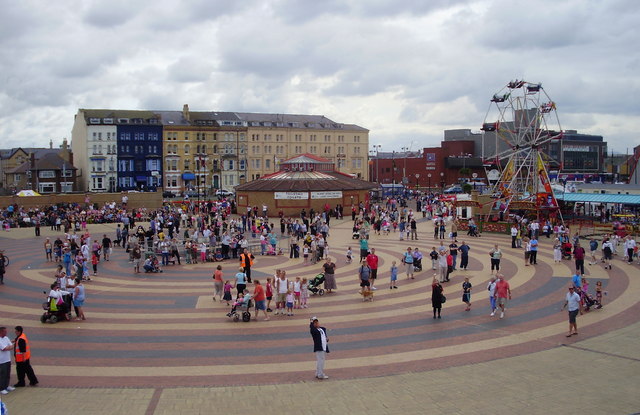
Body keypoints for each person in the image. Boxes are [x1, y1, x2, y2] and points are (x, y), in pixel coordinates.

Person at [0, 326, 14, 395]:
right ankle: (1, 388)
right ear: (1, 332)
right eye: (5, 331)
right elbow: (4, 348)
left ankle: (6, 385)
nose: (6, 332)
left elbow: (11, 346)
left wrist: (8, 347)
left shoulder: (6, 338)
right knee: (3, 374)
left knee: (8, 374)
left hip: (8, 359)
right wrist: (8, 347)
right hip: (1, 361)